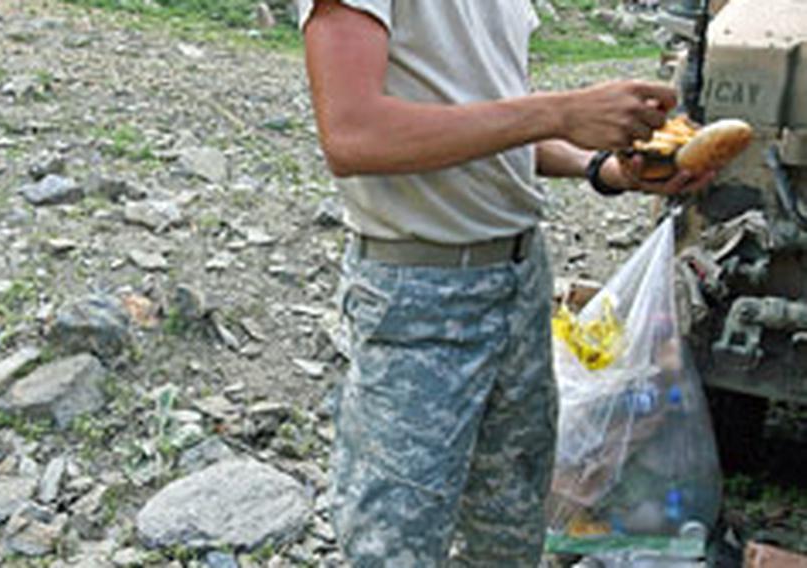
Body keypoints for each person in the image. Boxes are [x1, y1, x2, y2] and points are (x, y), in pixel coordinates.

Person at [298, 1, 714, 566]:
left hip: (520, 277)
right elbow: (353, 134)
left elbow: (495, 126)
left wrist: (605, 169)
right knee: (396, 543)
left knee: (511, 528)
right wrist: (558, 110)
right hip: (420, 290)